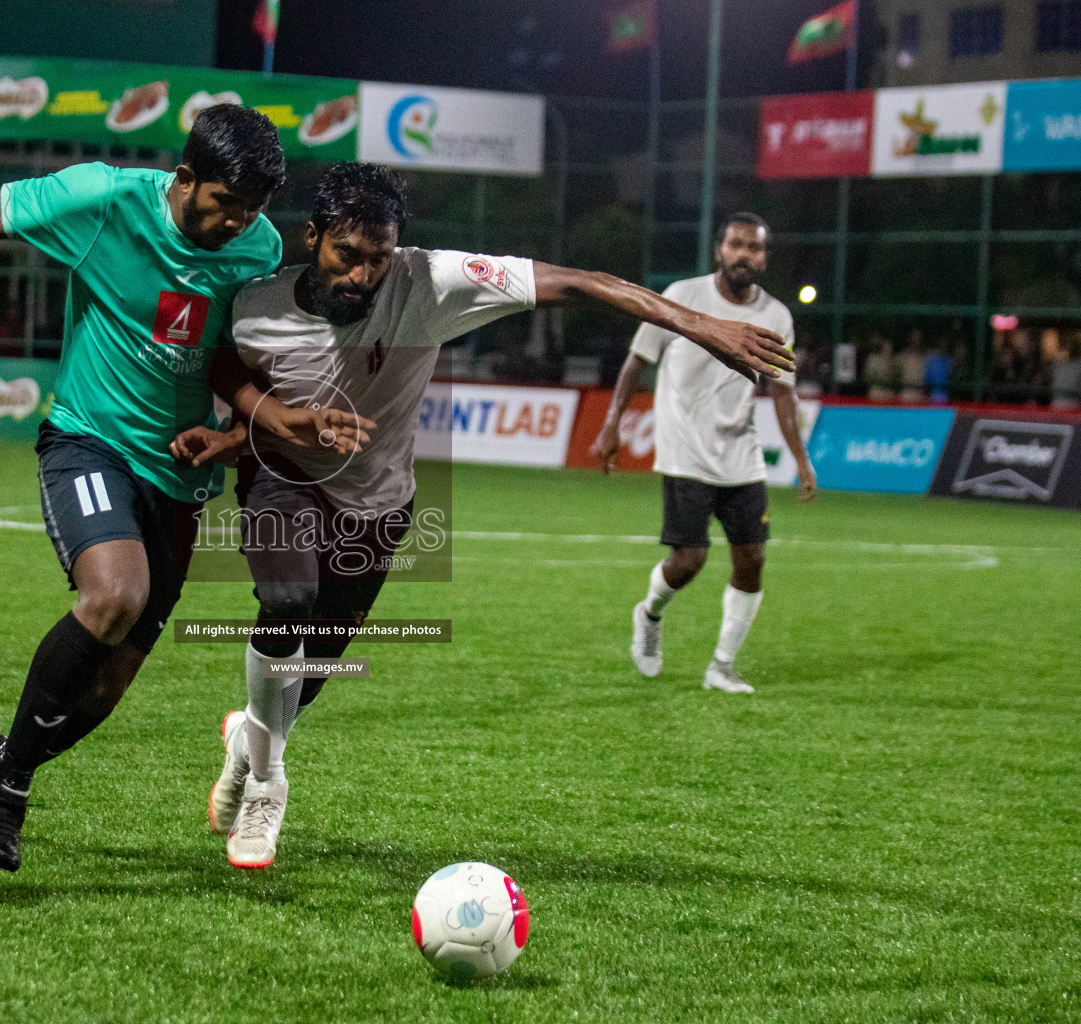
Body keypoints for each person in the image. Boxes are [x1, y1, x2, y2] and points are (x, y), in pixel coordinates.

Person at [173, 165, 796, 869]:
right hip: (283, 478)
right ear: (312, 237)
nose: (364, 274)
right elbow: (232, 371)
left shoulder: (430, 283)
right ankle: (267, 784)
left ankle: (245, 744)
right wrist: (236, 434)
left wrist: (699, 324)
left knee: (308, 677)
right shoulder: (257, 304)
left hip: (377, 503)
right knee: (287, 602)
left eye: (379, 256)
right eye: (347, 254)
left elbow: (582, 282)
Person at [0, 106, 362, 873]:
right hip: (87, 439)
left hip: (177, 477)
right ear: (184, 179)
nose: (237, 224)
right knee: (114, 596)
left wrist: (254, 423)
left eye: (251, 210)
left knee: (105, 691)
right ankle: (8, 795)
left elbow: (225, 355)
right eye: (224, 204)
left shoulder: (257, 245)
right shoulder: (100, 199)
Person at [591, 212, 815, 696]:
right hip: (685, 451)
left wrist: (801, 459)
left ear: (764, 257)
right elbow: (637, 361)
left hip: (742, 455)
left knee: (752, 558)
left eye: (754, 248)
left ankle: (722, 666)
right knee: (689, 560)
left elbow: (782, 393)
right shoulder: (682, 297)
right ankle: (649, 613)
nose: (744, 255)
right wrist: (611, 425)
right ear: (719, 249)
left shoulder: (777, 316)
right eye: (736, 245)